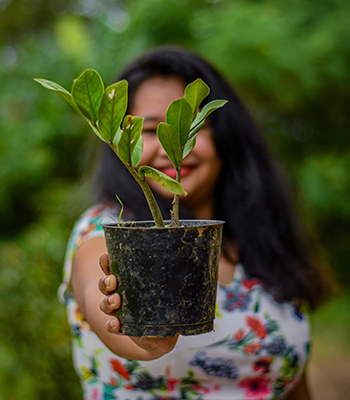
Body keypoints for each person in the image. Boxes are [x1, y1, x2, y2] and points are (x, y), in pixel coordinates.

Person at [59, 46, 330, 399]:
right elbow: (93, 278)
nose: (176, 148)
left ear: (225, 136)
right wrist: (142, 331)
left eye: (191, 129)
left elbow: (290, 379)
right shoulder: (109, 230)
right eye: (152, 129)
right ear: (119, 141)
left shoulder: (259, 241)